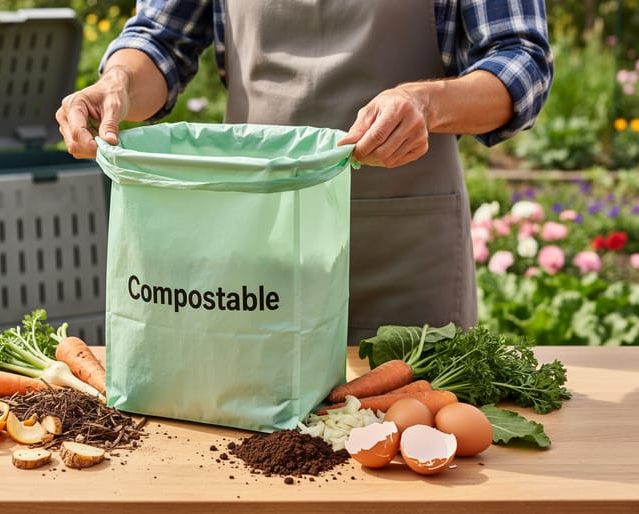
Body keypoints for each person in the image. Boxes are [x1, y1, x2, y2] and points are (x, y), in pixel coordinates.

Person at [56, 0, 553, 342]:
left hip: (404, 252)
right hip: (255, 248)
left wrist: (426, 102)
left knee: (412, 459)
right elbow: (162, 40)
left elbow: (522, 60)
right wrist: (116, 83)